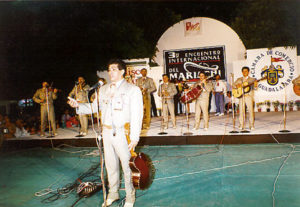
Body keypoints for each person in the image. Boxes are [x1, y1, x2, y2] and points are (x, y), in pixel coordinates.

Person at [68, 59, 143, 207]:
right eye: (109, 70)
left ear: (122, 71)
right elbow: (94, 108)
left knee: (128, 167)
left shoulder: (132, 90)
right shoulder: (103, 89)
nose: (111, 72)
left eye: (114, 69)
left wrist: (134, 137)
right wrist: (78, 106)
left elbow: (137, 114)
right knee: (110, 166)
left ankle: (129, 197)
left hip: (123, 133)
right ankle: (113, 193)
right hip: (107, 133)